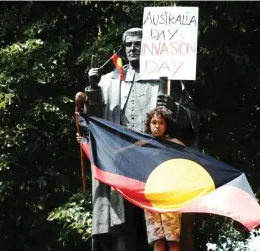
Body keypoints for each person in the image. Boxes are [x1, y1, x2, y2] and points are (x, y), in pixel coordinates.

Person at [75, 27, 200, 251]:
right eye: (129, 44)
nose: (133, 48)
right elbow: (91, 124)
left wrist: (173, 107)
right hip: (119, 165)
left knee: (159, 230)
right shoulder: (107, 82)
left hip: (155, 165)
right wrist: (93, 91)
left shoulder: (167, 81)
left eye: (139, 43)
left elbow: (193, 122)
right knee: (122, 230)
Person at [143, 107, 183, 251]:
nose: (157, 126)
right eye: (153, 122)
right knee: (157, 240)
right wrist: (85, 139)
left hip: (170, 195)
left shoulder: (175, 144)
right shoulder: (143, 143)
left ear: (167, 125)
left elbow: (190, 164)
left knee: (172, 240)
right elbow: (117, 153)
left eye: (161, 123)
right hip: (150, 195)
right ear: (149, 124)